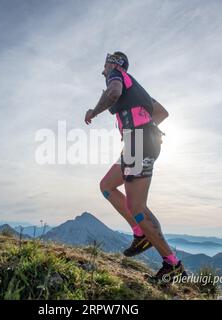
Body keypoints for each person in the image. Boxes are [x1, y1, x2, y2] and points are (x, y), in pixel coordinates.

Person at [84, 52, 186, 281]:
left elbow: (113, 93)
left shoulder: (116, 75)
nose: (104, 67)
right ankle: (141, 234)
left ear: (114, 64)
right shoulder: (136, 88)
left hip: (138, 144)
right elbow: (162, 112)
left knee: (137, 207)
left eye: (106, 62)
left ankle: (173, 265)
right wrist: (144, 129)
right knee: (107, 186)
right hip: (137, 143)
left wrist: (94, 112)